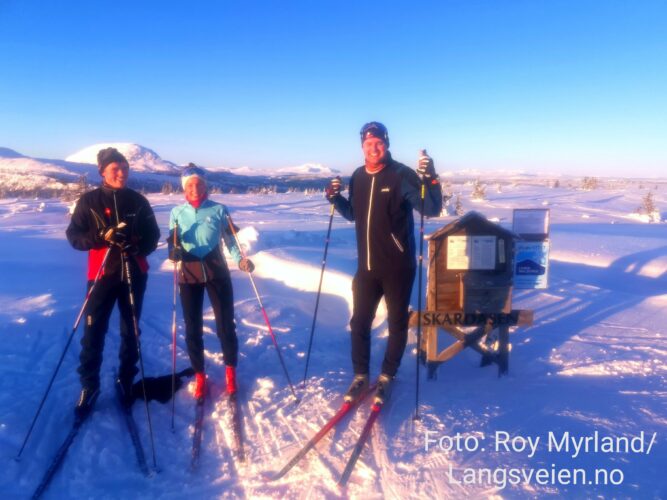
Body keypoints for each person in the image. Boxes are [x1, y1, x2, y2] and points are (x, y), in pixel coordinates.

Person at [326, 122, 442, 404]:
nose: (373, 148)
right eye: (368, 144)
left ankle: (387, 375)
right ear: (362, 147)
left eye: (378, 143)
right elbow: (354, 214)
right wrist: (335, 199)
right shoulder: (358, 176)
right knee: (359, 323)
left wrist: (431, 179)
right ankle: (361, 375)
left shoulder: (401, 175)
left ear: (386, 144)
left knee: (397, 323)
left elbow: (432, 208)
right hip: (367, 267)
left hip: (398, 267)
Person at [66, 147, 160, 419]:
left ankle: (125, 379)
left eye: (125, 167)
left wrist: (136, 245)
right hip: (101, 275)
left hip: (134, 273)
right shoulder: (89, 201)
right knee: (93, 331)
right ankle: (89, 385)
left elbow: (153, 236)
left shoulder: (138, 201)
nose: (121, 173)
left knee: (131, 330)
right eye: (115, 169)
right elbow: (74, 237)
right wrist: (100, 237)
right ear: (103, 172)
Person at [168, 164, 254, 401]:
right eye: (190, 185)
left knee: (226, 325)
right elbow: (172, 242)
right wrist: (173, 252)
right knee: (192, 328)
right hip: (189, 274)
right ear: (184, 188)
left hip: (217, 272)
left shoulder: (219, 210)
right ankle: (200, 376)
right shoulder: (176, 213)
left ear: (206, 186)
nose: (195, 188)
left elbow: (231, 240)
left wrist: (241, 260)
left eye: (199, 184)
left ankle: (230, 372)